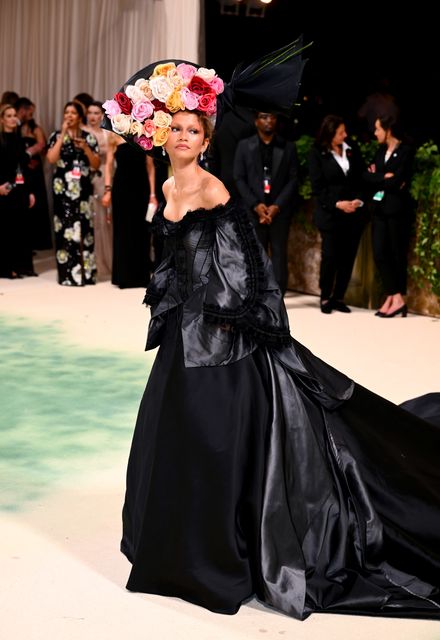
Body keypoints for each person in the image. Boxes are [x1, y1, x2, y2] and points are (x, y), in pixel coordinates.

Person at [102, 48, 440, 621]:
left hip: (219, 336)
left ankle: (213, 555)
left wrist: (229, 318)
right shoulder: (170, 187)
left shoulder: (210, 187)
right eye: (176, 128)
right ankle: (173, 549)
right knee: (171, 435)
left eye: (193, 129)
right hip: (185, 335)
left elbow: (246, 265)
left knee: (213, 436)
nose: (183, 136)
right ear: (162, 135)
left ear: (205, 140)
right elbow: (177, 260)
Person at [234, 111, 299, 295]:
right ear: (256, 121)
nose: (269, 121)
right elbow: (239, 178)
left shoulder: (288, 147)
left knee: (279, 253)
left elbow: (293, 179)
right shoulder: (245, 146)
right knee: (255, 254)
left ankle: (278, 295)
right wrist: (256, 205)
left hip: (280, 210)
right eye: (264, 117)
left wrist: (277, 206)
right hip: (253, 210)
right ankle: (256, 293)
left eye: (272, 117)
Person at [309, 115, 367, 313]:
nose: (345, 135)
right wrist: (337, 204)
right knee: (331, 256)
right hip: (330, 214)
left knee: (347, 257)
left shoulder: (352, 150)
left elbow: (361, 178)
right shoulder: (317, 153)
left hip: (353, 214)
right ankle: (325, 296)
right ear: (330, 134)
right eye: (341, 132)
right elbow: (318, 188)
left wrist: (357, 201)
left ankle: (339, 297)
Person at [364, 115, 414, 317]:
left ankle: (395, 298)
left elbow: (399, 182)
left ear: (388, 130)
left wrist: (381, 178)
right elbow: (366, 176)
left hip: (397, 211)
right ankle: (394, 295)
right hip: (379, 209)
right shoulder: (381, 150)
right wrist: (383, 177)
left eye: (378, 129)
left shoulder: (406, 151)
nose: (375, 133)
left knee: (396, 253)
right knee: (379, 252)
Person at [47, 101, 100, 286]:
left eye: (73, 113)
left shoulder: (89, 138)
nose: (69, 115)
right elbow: (51, 159)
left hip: (83, 191)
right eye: (66, 112)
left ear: (79, 116)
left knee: (85, 230)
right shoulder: (56, 135)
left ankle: (87, 275)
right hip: (63, 191)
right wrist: (62, 134)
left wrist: (85, 148)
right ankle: (67, 275)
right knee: (64, 231)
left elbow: (96, 165)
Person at [101, 132, 157, 288]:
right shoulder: (113, 137)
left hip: (141, 188)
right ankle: (123, 277)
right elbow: (108, 165)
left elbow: (150, 167)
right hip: (121, 188)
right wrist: (107, 189)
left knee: (141, 231)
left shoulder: (145, 135)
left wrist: (152, 194)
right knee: (122, 231)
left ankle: (141, 276)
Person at [0, 103, 36, 278]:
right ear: (2, 119)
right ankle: (7, 268)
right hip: (4, 189)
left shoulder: (19, 140)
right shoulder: (0, 140)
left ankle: (23, 266)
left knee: (22, 229)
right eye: (8, 115)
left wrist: (29, 191)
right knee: (7, 230)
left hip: (20, 188)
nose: (13, 118)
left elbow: (24, 167)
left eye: (14, 115)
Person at [16, 96, 52, 250]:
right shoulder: (15, 129)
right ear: (22, 110)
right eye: (29, 111)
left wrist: (36, 153)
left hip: (34, 171)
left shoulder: (36, 129)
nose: (31, 115)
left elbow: (44, 150)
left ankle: (38, 242)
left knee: (37, 204)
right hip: (19, 170)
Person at [86, 101, 113, 279]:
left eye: (96, 113)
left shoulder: (107, 132)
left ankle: (109, 261)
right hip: (89, 175)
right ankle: (95, 262)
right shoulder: (83, 132)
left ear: (102, 115)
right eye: (90, 113)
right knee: (93, 217)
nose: (92, 116)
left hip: (107, 174)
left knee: (107, 218)